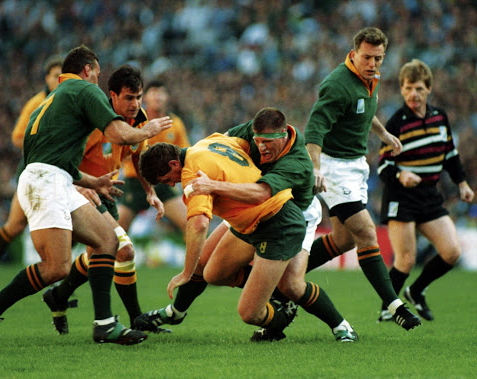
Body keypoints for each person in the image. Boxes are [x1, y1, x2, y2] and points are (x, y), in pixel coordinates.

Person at [0, 45, 172, 348]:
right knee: (57, 267)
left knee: (107, 240)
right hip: (45, 182)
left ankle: (105, 324)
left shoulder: (50, 102)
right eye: (98, 75)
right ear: (88, 70)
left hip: (55, 179)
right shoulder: (82, 89)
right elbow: (118, 134)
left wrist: (93, 181)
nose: (98, 83)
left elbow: (54, 158)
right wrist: (150, 129)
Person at [135, 109, 358, 343]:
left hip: (288, 215)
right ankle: (180, 311)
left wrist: (186, 272)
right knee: (212, 271)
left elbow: (204, 223)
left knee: (279, 292)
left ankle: (336, 324)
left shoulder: (296, 161)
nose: (172, 185)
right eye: (258, 140)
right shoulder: (211, 142)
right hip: (252, 215)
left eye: (167, 180)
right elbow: (235, 145)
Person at [303, 27, 421, 330]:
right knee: (367, 233)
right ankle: (394, 304)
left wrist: (383, 133)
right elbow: (314, 131)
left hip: (355, 165)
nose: (372, 63)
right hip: (332, 167)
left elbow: (365, 111)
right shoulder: (336, 85)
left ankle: (287, 278)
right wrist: (316, 168)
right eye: (367, 57)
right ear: (353, 54)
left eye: (378, 58)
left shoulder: (371, 79)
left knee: (343, 240)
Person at [42, 65, 171, 334]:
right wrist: (80, 188)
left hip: (108, 193)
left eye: (139, 97)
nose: (136, 104)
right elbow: (65, 162)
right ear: (112, 96)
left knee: (100, 254)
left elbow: (138, 154)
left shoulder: (138, 119)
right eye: (129, 98)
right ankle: (132, 319)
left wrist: (150, 192)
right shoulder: (93, 121)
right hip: (84, 194)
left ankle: (58, 296)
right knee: (124, 251)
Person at [377, 59, 474, 321]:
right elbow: (383, 165)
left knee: (452, 252)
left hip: (429, 195)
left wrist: (462, 183)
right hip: (401, 196)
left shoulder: (440, 117)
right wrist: (401, 174)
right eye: (408, 88)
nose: (413, 94)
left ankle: (416, 291)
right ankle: (386, 309)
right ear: (401, 89)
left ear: (428, 88)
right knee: (406, 259)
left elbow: (450, 154)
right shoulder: (396, 122)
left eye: (419, 88)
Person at [0, 56, 63, 296]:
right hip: (34, 172)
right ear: (46, 78)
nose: (60, 80)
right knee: (15, 226)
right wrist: (45, 145)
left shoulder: (70, 101)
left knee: (69, 220)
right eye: (56, 75)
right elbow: (16, 137)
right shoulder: (37, 103)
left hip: (60, 172)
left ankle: (56, 276)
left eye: (64, 75)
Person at [117, 80, 189, 239]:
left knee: (190, 225)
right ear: (145, 98)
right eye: (154, 92)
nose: (158, 96)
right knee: (116, 233)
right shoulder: (134, 120)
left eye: (162, 92)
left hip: (163, 183)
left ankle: (197, 264)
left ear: (167, 97)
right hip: (135, 181)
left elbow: (185, 155)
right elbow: (121, 151)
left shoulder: (175, 123)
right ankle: (101, 263)